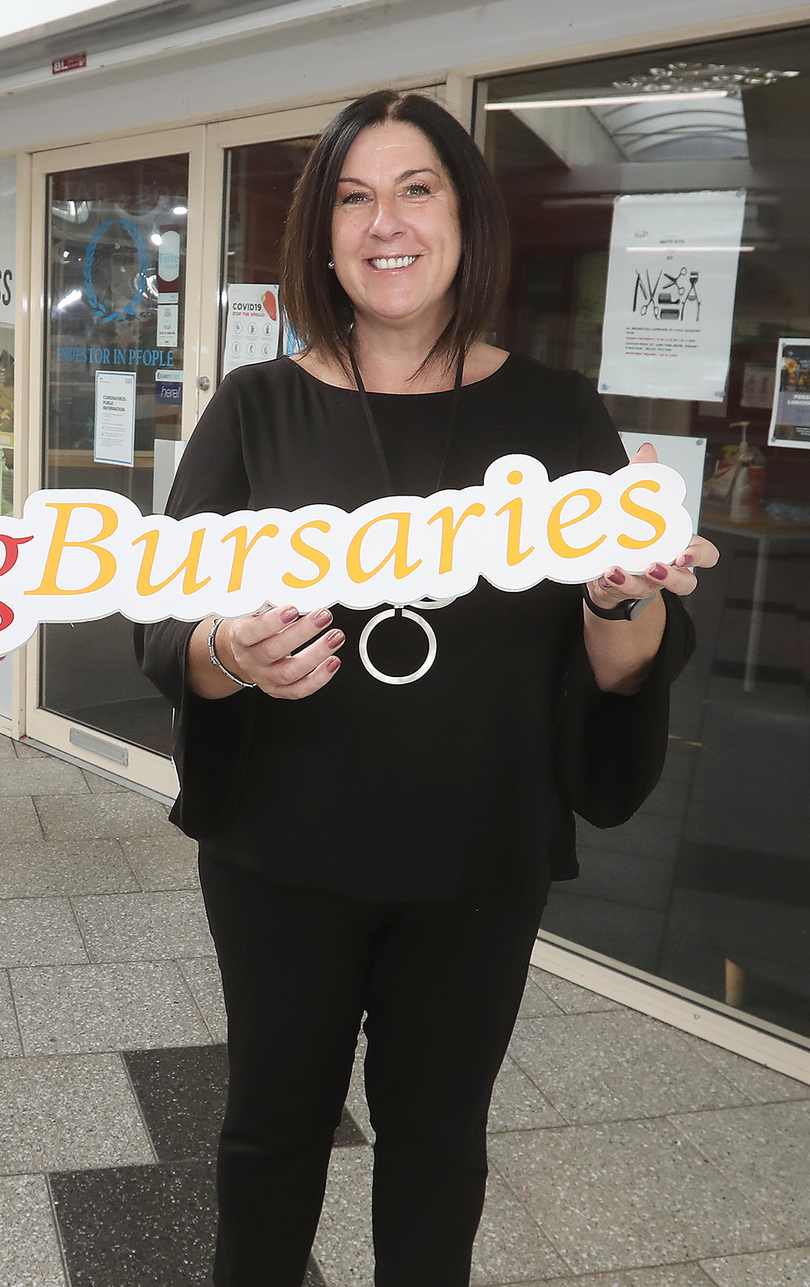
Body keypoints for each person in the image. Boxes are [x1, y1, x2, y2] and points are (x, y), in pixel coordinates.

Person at [138, 91, 716, 1286]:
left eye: (415, 190)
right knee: (268, 1129)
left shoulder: (554, 415)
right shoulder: (256, 407)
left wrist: (624, 596)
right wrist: (226, 652)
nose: (382, 222)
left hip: (475, 857)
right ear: (321, 231)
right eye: (352, 196)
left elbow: (622, 658)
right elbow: (158, 621)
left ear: (463, 220)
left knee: (437, 1144)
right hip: (279, 854)